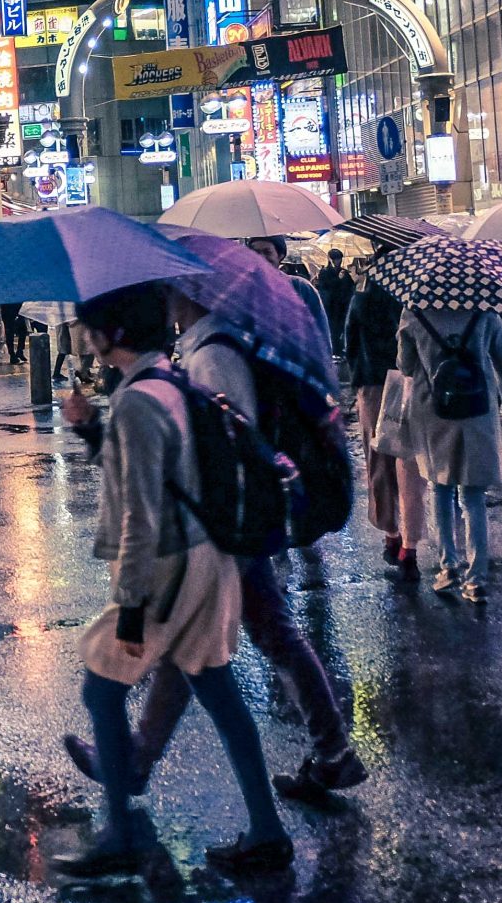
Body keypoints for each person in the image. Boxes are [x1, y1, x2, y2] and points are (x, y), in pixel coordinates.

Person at [65, 284, 368, 812]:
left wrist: (139, 597)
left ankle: (327, 754)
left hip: (222, 530)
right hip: (216, 528)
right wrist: (95, 432)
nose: (169, 299)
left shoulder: (212, 356)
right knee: (203, 655)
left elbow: (215, 453)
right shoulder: (197, 353)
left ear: (193, 297)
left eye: (176, 291)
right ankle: (141, 760)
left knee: (256, 642)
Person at [48, 283, 292, 881]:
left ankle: (122, 833)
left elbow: (142, 512)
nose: (85, 336)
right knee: (220, 695)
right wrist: (86, 429)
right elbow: (153, 470)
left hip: (168, 567)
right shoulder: (168, 381)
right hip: (206, 558)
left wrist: (130, 608)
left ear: (112, 336)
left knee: (101, 690)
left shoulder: (137, 402)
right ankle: (266, 830)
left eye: (90, 326)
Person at [397, 297, 502, 601]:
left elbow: (405, 364)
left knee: (440, 488)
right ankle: (477, 577)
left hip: (433, 412)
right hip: (477, 412)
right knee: (473, 495)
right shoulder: (485, 310)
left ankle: (448, 567)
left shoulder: (414, 311)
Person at [345, 262, 417, 575]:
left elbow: (349, 339)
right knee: (412, 462)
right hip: (411, 380)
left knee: (380, 458)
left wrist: (357, 377)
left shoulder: (364, 291)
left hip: (374, 384)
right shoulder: (416, 292)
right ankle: (412, 542)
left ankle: (392, 532)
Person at [314, 249, 357, 350]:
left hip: (343, 305)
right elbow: (324, 287)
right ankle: (334, 349)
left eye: (338, 259)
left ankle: (341, 348)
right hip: (331, 306)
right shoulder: (324, 272)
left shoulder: (344, 272)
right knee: (333, 328)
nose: (337, 262)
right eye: (334, 259)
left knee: (342, 327)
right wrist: (338, 279)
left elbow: (350, 287)